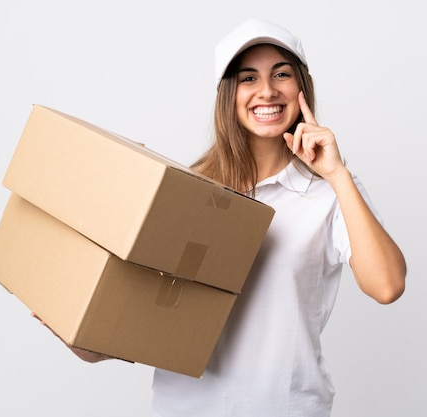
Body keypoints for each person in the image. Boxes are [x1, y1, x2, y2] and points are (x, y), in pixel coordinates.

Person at [37, 18, 406, 417]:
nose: (267, 90)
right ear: (228, 95)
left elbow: (387, 286)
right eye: (248, 78)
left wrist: (336, 174)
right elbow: (149, 315)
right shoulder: (188, 191)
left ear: (301, 88)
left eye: (281, 74)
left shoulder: (329, 194)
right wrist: (84, 333)